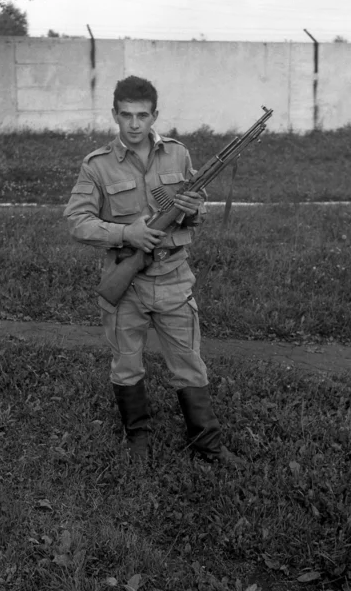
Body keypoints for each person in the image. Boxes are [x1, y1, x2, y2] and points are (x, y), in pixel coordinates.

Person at [64, 75, 236, 465]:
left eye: (143, 115)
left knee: (189, 363)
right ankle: (138, 439)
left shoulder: (178, 155)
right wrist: (129, 233)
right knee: (126, 364)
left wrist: (192, 211)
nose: (135, 124)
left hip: (175, 279)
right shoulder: (97, 166)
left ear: (155, 115)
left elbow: (196, 213)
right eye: (126, 115)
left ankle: (207, 444)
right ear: (115, 115)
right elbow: (77, 221)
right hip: (128, 285)